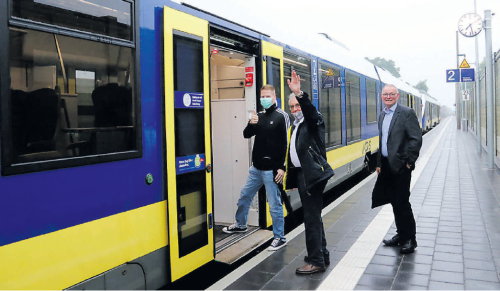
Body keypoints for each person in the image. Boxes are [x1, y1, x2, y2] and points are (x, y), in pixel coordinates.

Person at [223, 84, 290, 251]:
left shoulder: (281, 116)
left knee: (274, 205)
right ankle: (240, 224)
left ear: (274, 97)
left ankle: (280, 237)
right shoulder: (258, 116)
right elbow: (246, 134)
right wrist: (250, 123)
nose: (265, 99)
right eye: (262, 97)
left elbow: (284, 144)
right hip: (256, 169)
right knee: (244, 196)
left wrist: (282, 167)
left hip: (272, 170)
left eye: (268, 96)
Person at [285, 70, 334, 274]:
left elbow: (311, 112)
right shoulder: (296, 125)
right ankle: (321, 254)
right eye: (292, 106)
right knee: (314, 216)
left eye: (297, 105)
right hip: (303, 174)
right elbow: (296, 152)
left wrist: (300, 94)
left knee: (311, 218)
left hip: (313, 175)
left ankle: (315, 261)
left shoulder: (313, 121)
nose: (295, 109)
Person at [372, 84, 422, 254]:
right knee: (394, 202)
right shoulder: (382, 115)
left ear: (397, 96)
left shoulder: (406, 113)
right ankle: (401, 235)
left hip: (401, 166)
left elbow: (416, 138)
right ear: (381, 96)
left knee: (402, 203)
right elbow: (382, 141)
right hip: (386, 165)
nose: (388, 97)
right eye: (385, 94)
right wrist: (378, 163)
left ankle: (410, 239)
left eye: (391, 94)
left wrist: (408, 161)